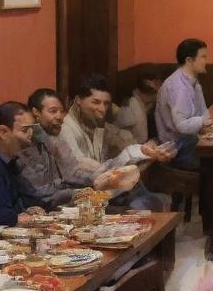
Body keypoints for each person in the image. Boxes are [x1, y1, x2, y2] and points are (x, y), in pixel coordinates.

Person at [60, 73, 172, 210]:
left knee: (154, 200)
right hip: (81, 200)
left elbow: (123, 142)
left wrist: (150, 152)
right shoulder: (66, 129)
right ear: (78, 100)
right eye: (95, 102)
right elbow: (84, 171)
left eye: (106, 104)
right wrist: (121, 168)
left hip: (103, 192)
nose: (102, 109)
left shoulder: (96, 124)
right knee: (144, 204)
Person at [19, 88, 122, 207]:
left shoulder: (56, 135)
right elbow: (42, 193)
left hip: (63, 205)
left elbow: (72, 170)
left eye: (61, 111)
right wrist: (77, 193)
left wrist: (103, 177)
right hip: (41, 210)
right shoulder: (28, 143)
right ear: (36, 112)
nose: (59, 116)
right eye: (53, 111)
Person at [156, 38, 213, 168]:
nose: (205, 61)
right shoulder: (179, 87)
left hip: (190, 139)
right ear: (189, 60)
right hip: (178, 147)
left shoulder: (192, 81)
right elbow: (182, 126)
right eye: (202, 57)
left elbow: (202, 114)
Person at [114, 72, 160, 144]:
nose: (156, 97)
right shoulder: (130, 104)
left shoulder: (141, 102)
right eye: (155, 94)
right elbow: (123, 132)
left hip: (142, 144)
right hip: (132, 146)